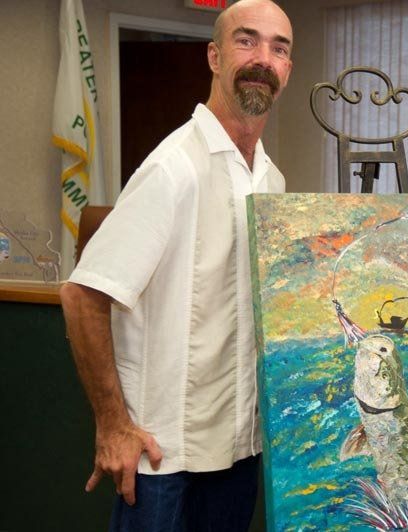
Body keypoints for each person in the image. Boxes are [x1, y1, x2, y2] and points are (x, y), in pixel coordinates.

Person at [59, 1, 292, 530]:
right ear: (214, 56)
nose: (263, 58)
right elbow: (82, 297)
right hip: (165, 458)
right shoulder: (174, 168)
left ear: (287, 71)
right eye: (247, 40)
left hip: (239, 452)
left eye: (279, 48)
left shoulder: (270, 181)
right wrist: (113, 425)